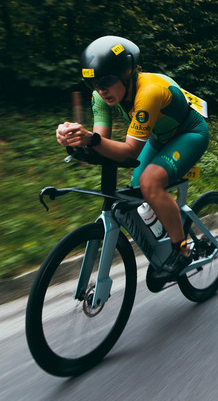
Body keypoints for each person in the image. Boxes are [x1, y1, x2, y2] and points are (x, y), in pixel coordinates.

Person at [56, 36, 209, 281]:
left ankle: (182, 251)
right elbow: (100, 142)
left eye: (106, 80)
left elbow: (130, 152)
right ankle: (164, 230)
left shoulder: (148, 92)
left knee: (149, 183)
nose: (100, 88)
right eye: (93, 82)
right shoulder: (100, 96)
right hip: (158, 137)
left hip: (189, 133)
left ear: (127, 75)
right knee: (137, 190)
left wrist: (91, 141)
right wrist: (75, 139)